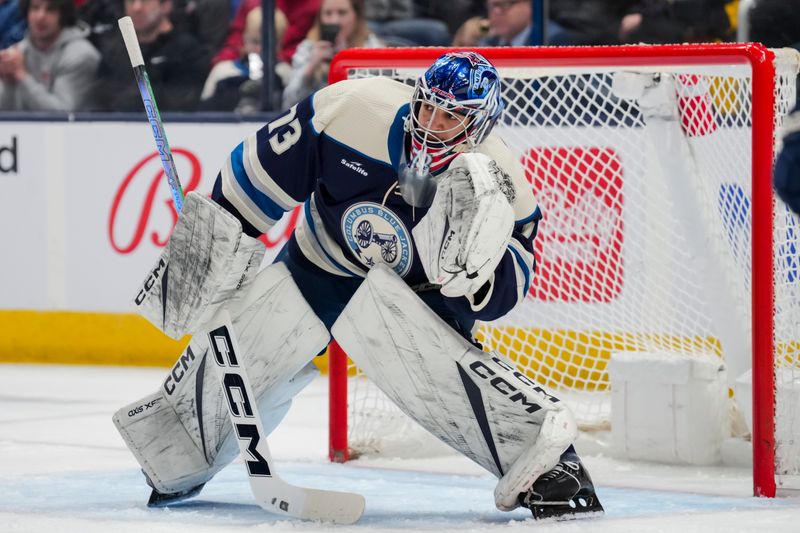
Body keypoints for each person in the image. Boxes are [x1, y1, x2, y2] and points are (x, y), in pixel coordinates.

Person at [113, 50, 604, 521]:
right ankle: (182, 452)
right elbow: (255, 175)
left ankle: (549, 461)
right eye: (427, 106)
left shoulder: (502, 184)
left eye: (449, 118)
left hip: (419, 296)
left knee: (440, 375)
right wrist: (209, 249)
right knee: (250, 341)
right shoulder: (351, 109)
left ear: (479, 125)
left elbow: (506, 292)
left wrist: (473, 276)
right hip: (323, 261)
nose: (431, 124)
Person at [92, 0, 209, 111]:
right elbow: (98, 101)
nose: (136, 8)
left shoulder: (187, 50)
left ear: (166, 5)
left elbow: (182, 102)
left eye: (145, 1)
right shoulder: (114, 51)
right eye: (131, 1)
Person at [0, 0, 100, 111]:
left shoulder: (81, 55)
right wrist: (9, 83)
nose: (40, 16)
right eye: (35, 8)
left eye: (50, 10)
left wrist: (22, 76)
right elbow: (6, 117)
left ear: (63, 15)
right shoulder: (17, 53)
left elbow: (61, 116)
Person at [281, 0, 382, 108]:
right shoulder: (308, 48)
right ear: (320, 18)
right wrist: (310, 68)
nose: (335, 21)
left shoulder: (372, 48)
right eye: (328, 13)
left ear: (356, 16)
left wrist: (346, 62)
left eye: (342, 13)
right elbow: (288, 105)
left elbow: (377, 100)